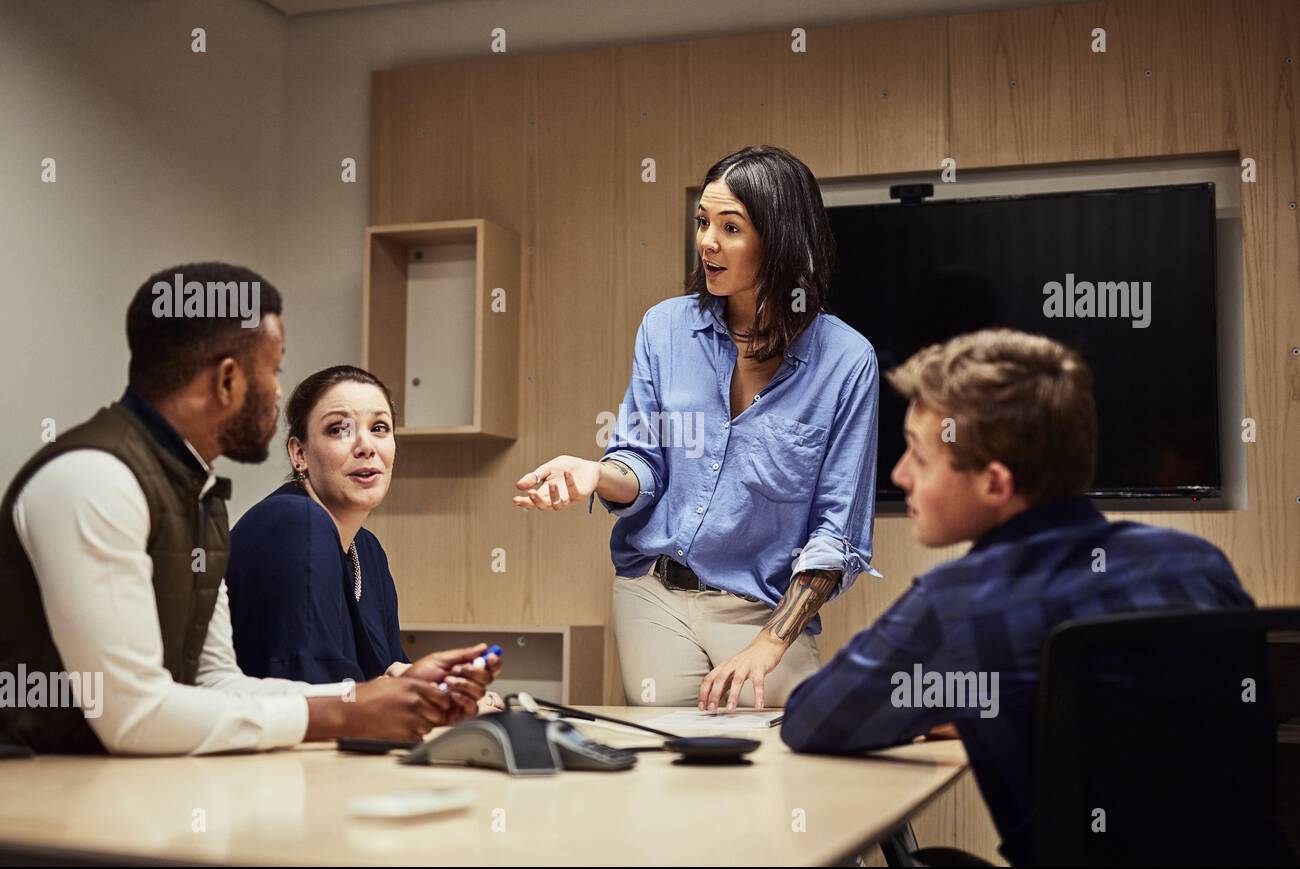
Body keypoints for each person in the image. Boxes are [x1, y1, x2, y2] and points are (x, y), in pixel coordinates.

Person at [779, 328, 1255, 865]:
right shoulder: (1197, 562)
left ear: (995, 484)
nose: (899, 474)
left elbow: (812, 721)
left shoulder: (958, 603)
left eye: (918, 454)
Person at [0, 262, 497, 755]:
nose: (279, 391)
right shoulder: (95, 479)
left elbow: (216, 683)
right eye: (273, 371)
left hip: (120, 789)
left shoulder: (200, 495)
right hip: (37, 799)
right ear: (228, 380)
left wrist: (390, 695)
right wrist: (350, 711)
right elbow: (133, 716)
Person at [513, 145, 880, 711]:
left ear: (781, 238)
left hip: (763, 611)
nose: (707, 241)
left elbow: (839, 531)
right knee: (670, 777)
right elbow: (643, 466)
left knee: (778, 781)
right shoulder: (664, 329)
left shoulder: (846, 360)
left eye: (730, 227)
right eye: (703, 222)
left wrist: (768, 643)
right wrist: (593, 473)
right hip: (653, 593)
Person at [226, 365, 503, 711]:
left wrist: (429, 687)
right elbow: (315, 695)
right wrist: (425, 704)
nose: (365, 446)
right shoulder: (293, 522)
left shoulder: (367, 550)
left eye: (379, 428)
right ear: (299, 454)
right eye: (338, 429)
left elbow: (379, 679)